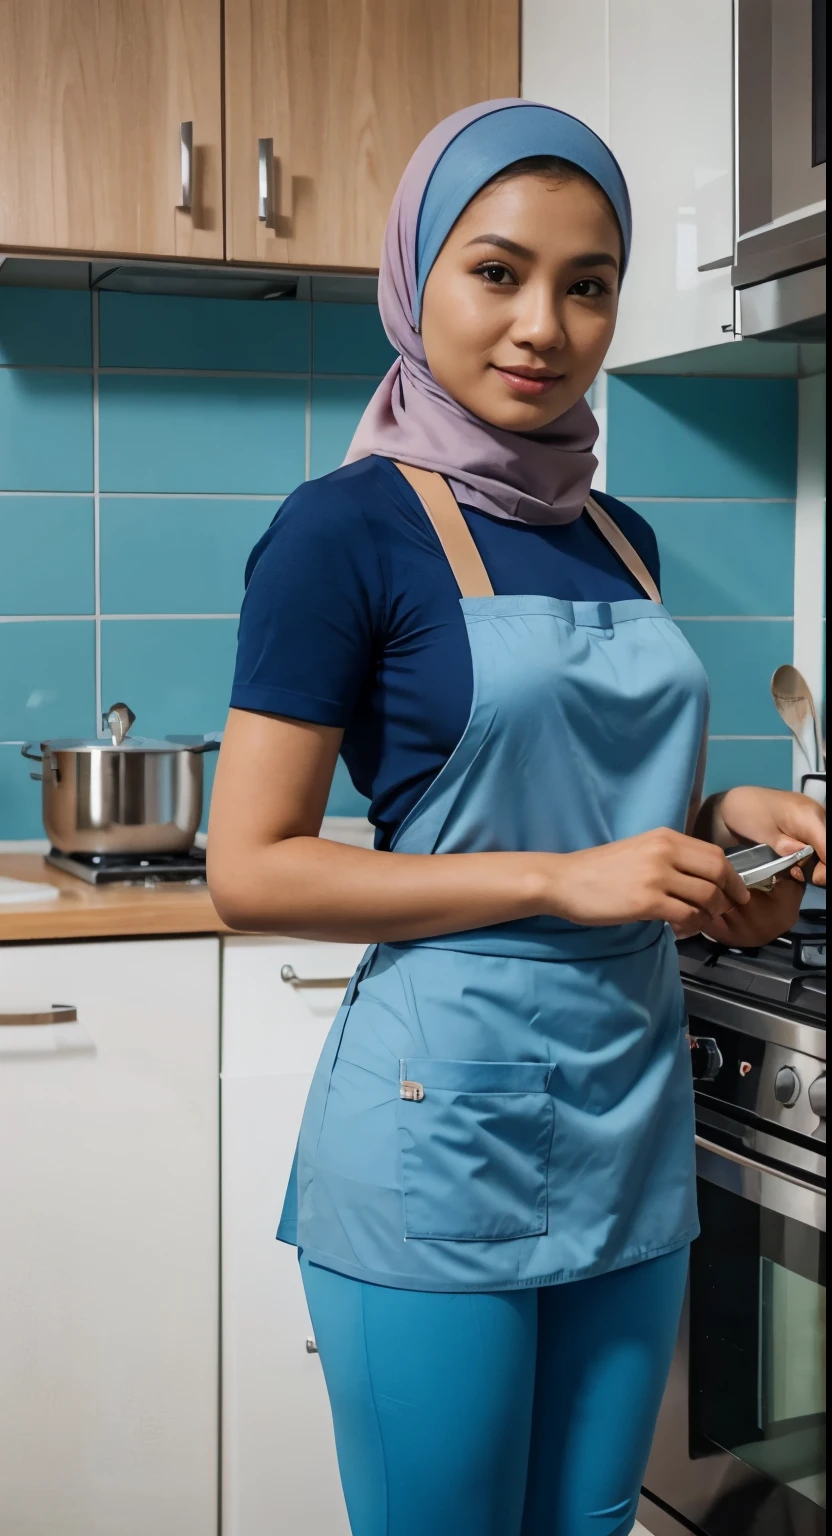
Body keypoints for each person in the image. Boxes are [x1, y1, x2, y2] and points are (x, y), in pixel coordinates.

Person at [208, 100, 826, 1536]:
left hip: (628, 1109)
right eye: (497, 270)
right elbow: (251, 867)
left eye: (589, 281)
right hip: (440, 1133)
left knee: (595, 1525)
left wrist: (726, 828)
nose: (544, 324)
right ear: (416, 273)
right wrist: (566, 881)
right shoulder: (340, 529)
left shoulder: (621, 535)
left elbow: (609, 808)